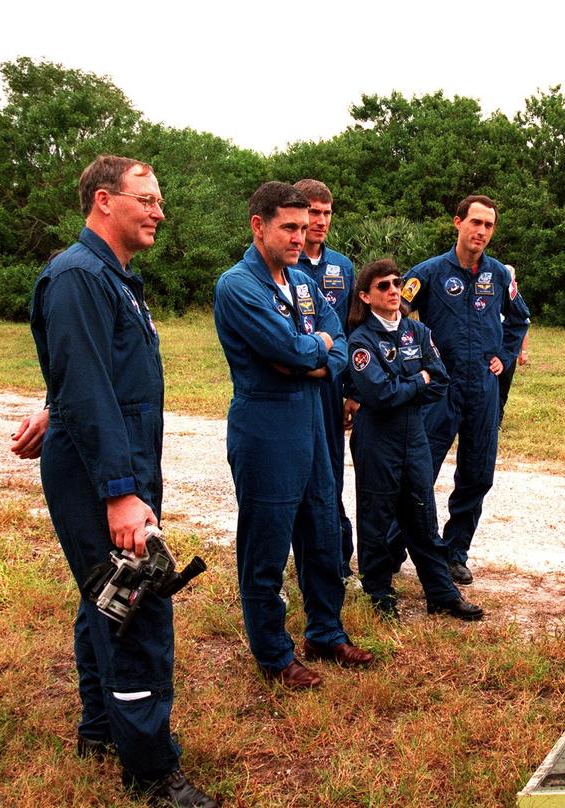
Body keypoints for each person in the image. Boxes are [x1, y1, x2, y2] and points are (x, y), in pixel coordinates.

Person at [14, 155, 217, 807]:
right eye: (147, 199)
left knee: (99, 598)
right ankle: (151, 772)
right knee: (135, 606)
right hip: (103, 472)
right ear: (105, 200)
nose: (159, 211)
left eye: (160, 200)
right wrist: (121, 493)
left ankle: (102, 730)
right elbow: (90, 386)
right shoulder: (78, 276)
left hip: (111, 459)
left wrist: (56, 406)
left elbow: (85, 372)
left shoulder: (113, 278)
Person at [213, 181, 374, 691]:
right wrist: (312, 352)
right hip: (267, 426)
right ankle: (273, 653)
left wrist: (317, 354)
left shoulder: (303, 281)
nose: (301, 237)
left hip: (314, 420)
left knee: (323, 530)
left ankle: (324, 631)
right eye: (290, 227)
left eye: (305, 228)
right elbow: (291, 351)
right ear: (258, 225)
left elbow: (337, 341)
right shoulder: (238, 285)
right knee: (266, 544)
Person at [398, 195, 531, 584]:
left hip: (482, 389)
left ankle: (455, 552)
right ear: (458, 222)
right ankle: (394, 549)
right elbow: (394, 318)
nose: (482, 231)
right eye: (475, 222)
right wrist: (416, 362)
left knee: (477, 474)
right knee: (419, 472)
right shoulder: (428, 272)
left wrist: (505, 357)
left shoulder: (499, 276)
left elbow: (519, 318)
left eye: (489, 225)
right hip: (440, 388)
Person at [346, 258, 484, 622]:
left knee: (423, 517)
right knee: (376, 518)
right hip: (377, 439)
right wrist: (416, 381)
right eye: (383, 286)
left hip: (414, 435)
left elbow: (440, 380)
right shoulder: (360, 340)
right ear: (366, 295)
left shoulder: (417, 333)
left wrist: (410, 384)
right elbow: (379, 395)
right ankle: (379, 591)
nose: (393, 291)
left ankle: (440, 593)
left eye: (396, 283)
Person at [293, 179, 357, 579]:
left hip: (333, 383)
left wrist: (352, 390)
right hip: (295, 380)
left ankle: (338, 558)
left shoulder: (342, 267)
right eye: (312, 212)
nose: (319, 221)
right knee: (298, 471)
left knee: (331, 471)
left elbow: (350, 329)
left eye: (326, 213)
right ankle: (304, 561)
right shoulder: (283, 262)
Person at [496, 264, 530, 425]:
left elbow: (523, 325)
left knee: (503, 386)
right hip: (490, 349)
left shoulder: (515, 298)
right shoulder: (489, 294)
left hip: (507, 349)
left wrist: (523, 351)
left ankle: (498, 419)